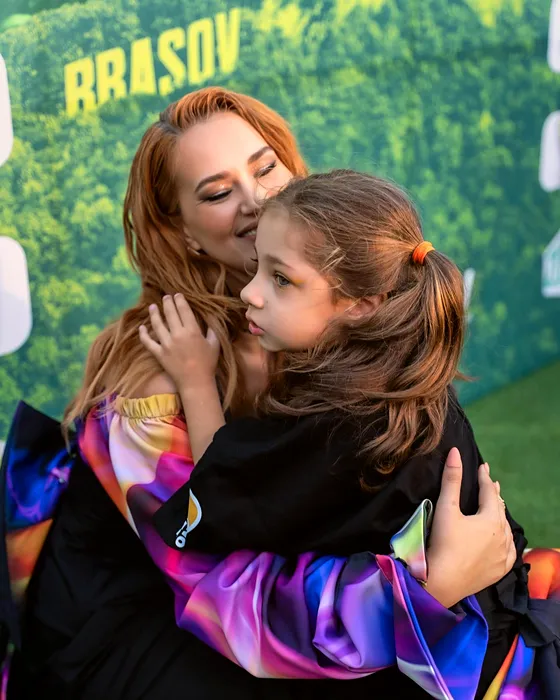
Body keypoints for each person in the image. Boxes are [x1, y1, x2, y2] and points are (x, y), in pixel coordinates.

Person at [1, 88, 523, 699]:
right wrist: (425, 592)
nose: (257, 200)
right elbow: (219, 583)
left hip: (280, 603)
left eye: (266, 167)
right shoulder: (156, 378)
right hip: (143, 618)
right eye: (217, 193)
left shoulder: (324, 326)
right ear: (182, 232)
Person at [142, 169, 560, 697]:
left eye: (281, 279)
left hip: (441, 668)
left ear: (361, 304)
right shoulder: (404, 377)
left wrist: (195, 380)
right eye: (256, 268)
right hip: (495, 627)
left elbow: (219, 491)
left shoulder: (336, 426)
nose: (250, 292)